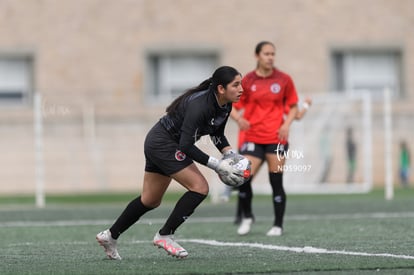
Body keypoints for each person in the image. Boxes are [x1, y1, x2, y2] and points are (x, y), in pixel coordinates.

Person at [96, 66, 244, 260]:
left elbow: (216, 134)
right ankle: (165, 235)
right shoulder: (200, 105)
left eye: (241, 84)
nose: (241, 89)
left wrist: (231, 155)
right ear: (221, 89)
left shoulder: (225, 104)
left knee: (150, 200)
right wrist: (217, 165)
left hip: (161, 142)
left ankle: (110, 235)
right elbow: (186, 146)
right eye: (236, 85)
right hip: (163, 143)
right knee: (199, 188)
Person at [230, 41, 299, 236]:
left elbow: (294, 106)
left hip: (276, 138)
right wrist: (238, 119)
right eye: (266, 54)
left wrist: (286, 125)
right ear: (257, 56)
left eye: (273, 54)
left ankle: (278, 225)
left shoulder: (284, 79)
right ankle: (247, 217)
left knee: (275, 181)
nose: (270, 57)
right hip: (253, 137)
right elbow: (231, 105)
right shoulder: (248, 81)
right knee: (243, 177)